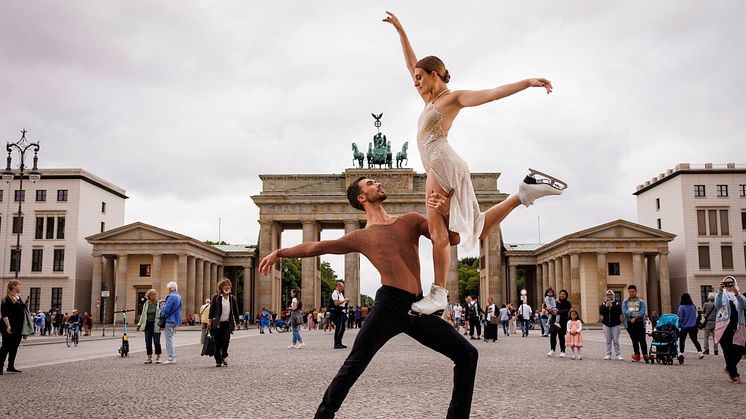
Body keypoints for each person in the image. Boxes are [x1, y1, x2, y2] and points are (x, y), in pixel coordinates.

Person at [382, 11, 565, 317]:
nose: (414, 82)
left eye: (419, 77)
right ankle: (523, 194)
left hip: (442, 163)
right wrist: (401, 32)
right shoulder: (428, 101)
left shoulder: (451, 99)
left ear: (435, 75)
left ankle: (438, 293)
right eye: (414, 78)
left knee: (441, 235)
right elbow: (410, 62)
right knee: (474, 229)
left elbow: (490, 95)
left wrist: (527, 82)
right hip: (437, 165)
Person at [259, 176, 476, 418]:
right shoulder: (361, 237)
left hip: (417, 306)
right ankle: (323, 415)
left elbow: (451, 239)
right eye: (371, 183)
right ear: (361, 198)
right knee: (355, 363)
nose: (379, 183)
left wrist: (446, 213)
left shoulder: (411, 220)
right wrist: (279, 252)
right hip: (388, 306)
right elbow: (315, 247)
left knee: (468, 355)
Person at [715, 276, 746, 384]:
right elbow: (717, 305)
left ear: (734, 283)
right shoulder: (721, 295)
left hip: (738, 326)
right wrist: (719, 291)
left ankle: (729, 367)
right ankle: (735, 375)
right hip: (724, 326)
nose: (728, 285)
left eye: (730, 283)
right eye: (726, 283)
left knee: (740, 349)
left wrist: (737, 293)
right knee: (727, 351)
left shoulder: (739, 295)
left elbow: (744, 305)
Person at [209, 279, 240, 367]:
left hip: (227, 324)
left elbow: (236, 311)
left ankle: (225, 355)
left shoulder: (232, 298)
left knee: (226, 340)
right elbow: (212, 310)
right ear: (221, 287)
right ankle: (218, 360)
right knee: (217, 342)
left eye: (228, 285)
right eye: (224, 286)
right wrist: (210, 321)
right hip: (217, 324)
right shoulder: (216, 297)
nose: (226, 287)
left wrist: (238, 322)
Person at [0, 280, 26, 374]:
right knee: (5, 346)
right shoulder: (6, 299)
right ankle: (0, 366)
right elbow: (4, 314)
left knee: (14, 346)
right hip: (9, 326)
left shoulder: (18, 297)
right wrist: (8, 325)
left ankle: (11, 366)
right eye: (19, 285)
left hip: (18, 326)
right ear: (14, 286)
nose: (20, 287)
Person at [622, 284, 649, 363]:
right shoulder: (625, 301)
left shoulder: (641, 302)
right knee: (634, 340)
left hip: (639, 322)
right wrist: (631, 315)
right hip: (629, 323)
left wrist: (635, 318)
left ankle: (645, 355)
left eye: (633, 292)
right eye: (630, 292)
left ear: (636, 292)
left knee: (642, 339)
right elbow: (624, 310)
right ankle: (636, 355)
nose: (631, 293)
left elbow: (642, 311)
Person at [136, 289, 162, 364]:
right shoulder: (146, 304)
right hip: (147, 325)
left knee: (157, 342)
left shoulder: (159, 303)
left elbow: (163, 313)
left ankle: (158, 357)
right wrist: (139, 324)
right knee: (148, 342)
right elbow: (143, 315)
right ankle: (149, 358)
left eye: (155, 294)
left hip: (156, 325)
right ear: (149, 296)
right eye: (152, 294)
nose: (154, 296)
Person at [677, 293, 704, 361]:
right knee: (694, 340)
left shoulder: (682, 307)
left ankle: (681, 353)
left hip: (684, 326)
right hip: (693, 325)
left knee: (682, 340)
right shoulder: (693, 306)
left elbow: (680, 318)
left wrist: (679, 326)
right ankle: (700, 352)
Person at [160, 281, 182, 364]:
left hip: (169, 319)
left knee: (168, 339)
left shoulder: (171, 296)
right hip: (175, 319)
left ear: (170, 288)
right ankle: (172, 357)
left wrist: (161, 306)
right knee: (171, 338)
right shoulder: (178, 296)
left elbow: (166, 309)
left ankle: (171, 358)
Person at [599, 290, 623, 360]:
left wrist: (612, 307)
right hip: (606, 324)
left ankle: (618, 354)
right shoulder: (603, 304)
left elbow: (619, 312)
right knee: (608, 340)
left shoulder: (617, 303)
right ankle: (608, 354)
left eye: (610, 295)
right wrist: (606, 307)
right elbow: (601, 312)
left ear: (613, 296)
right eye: (608, 295)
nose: (609, 296)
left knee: (616, 340)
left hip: (615, 324)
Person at [547, 290, 571, 357]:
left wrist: (558, 312)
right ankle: (552, 350)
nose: (562, 295)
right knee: (552, 336)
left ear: (566, 295)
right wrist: (551, 311)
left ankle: (562, 351)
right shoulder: (555, 302)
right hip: (554, 321)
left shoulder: (567, 303)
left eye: (564, 294)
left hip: (562, 321)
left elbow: (566, 310)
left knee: (561, 337)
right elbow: (550, 308)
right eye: (561, 294)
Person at [331, 282, 350, 349]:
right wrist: (344, 300)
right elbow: (336, 303)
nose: (343, 289)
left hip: (343, 312)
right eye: (342, 287)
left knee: (343, 328)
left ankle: (340, 342)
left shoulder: (341, 294)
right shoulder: (335, 293)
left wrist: (346, 302)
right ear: (338, 286)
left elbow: (342, 304)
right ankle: (336, 343)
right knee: (339, 328)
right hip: (338, 313)